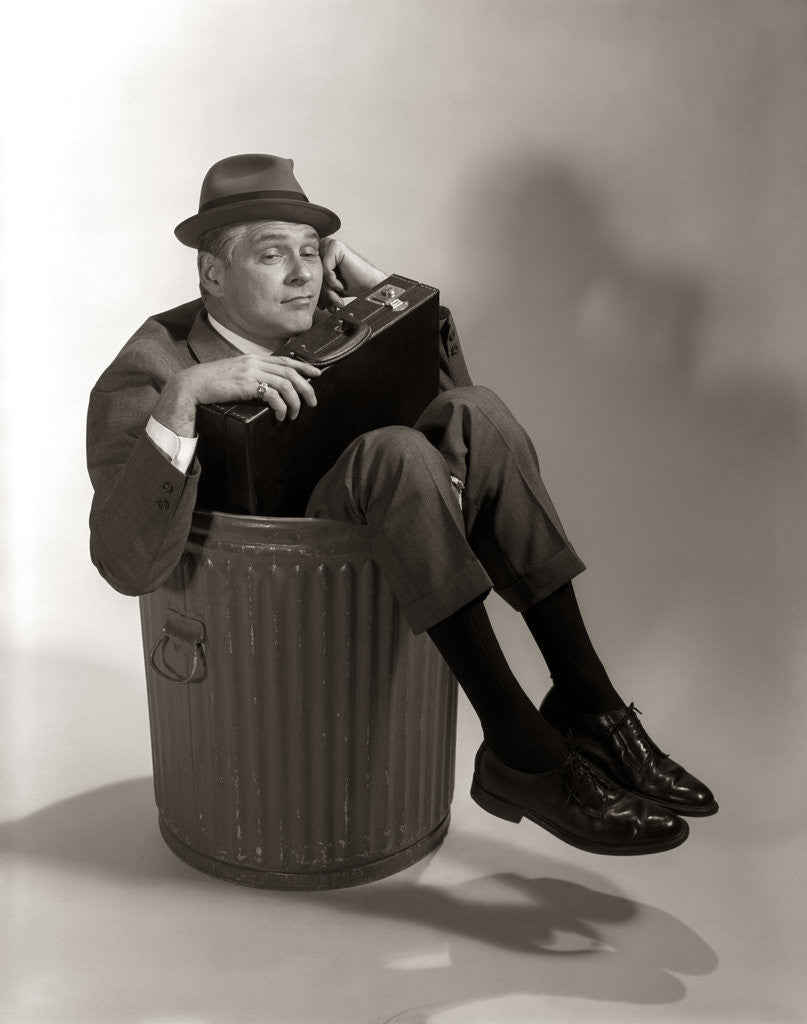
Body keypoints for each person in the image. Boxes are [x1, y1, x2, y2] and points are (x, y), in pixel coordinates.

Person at [87, 153, 717, 859]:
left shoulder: (339, 320)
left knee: (480, 412)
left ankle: (586, 698)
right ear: (211, 274)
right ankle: (519, 741)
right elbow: (124, 560)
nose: (300, 274)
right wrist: (187, 396)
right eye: (272, 255)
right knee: (397, 451)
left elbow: (463, 431)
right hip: (273, 621)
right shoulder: (155, 365)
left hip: (398, 559)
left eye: (309, 253)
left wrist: (379, 288)